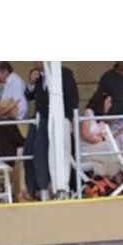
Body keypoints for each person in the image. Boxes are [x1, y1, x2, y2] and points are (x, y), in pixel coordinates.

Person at [23, 63, 79, 198]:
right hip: (42, 119)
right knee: (36, 151)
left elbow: (73, 96)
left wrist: (70, 118)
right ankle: (41, 189)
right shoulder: (38, 76)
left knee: (60, 152)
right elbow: (29, 96)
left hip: (60, 118)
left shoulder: (64, 72)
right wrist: (31, 83)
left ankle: (63, 188)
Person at [80, 89, 122, 180]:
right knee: (111, 150)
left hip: (99, 146)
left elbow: (104, 136)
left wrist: (117, 133)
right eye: (109, 102)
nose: (110, 105)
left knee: (116, 146)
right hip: (88, 148)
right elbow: (86, 135)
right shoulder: (88, 113)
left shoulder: (102, 118)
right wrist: (100, 139)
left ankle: (115, 182)